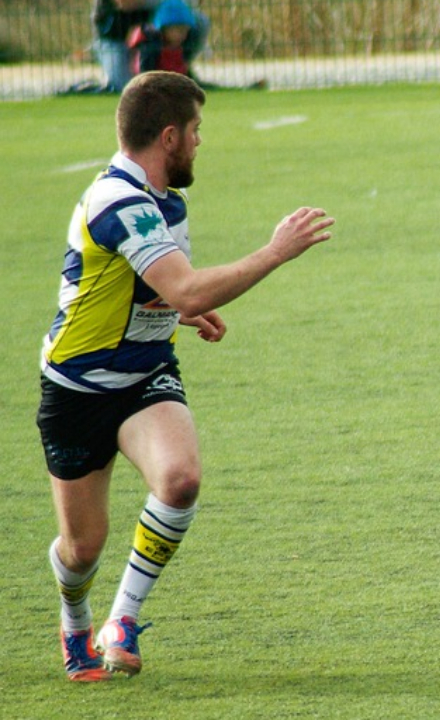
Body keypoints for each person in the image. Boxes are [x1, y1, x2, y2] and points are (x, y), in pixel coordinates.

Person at [42, 71, 335, 681]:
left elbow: (157, 287)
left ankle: (121, 621)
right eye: (197, 131)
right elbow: (180, 281)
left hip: (145, 375)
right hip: (77, 388)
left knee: (179, 480)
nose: (201, 142)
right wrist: (273, 251)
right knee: (81, 550)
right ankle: (75, 621)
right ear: (170, 136)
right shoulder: (120, 201)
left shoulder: (165, 200)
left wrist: (181, 314)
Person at [89, 0, 208, 93]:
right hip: (115, 37)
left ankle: (180, 68)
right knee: (127, 87)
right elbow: (125, 3)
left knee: (198, 21)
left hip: (155, 33)